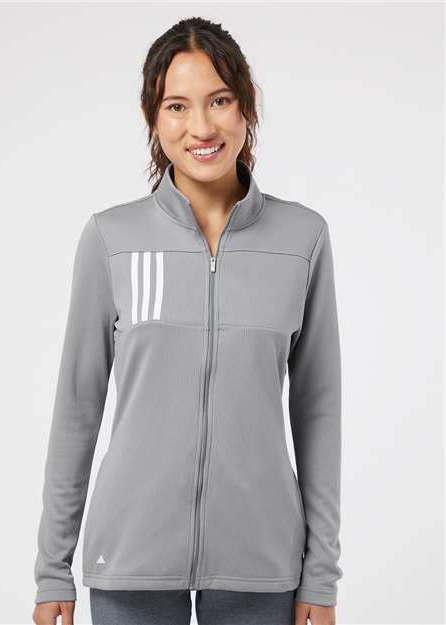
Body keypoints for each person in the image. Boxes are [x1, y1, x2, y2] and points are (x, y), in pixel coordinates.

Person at [32, 16, 343, 625]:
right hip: (131, 560)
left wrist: (322, 575)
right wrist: (52, 570)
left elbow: (318, 412)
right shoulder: (112, 239)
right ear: (153, 118)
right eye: (177, 106)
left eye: (220, 100)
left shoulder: (302, 239)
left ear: (247, 106)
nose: (201, 127)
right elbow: (76, 408)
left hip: (262, 565)